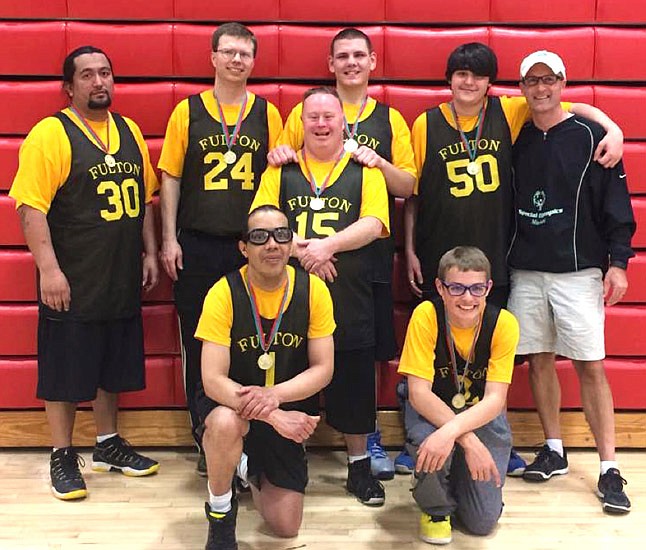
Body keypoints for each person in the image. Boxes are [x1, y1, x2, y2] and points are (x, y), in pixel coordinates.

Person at [404, 42, 625, 476]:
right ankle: (429, 437)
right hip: (462, 261)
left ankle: (590, 462)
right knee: (447, 357)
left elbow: (568, 103)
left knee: (512, 361)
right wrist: (409, 249)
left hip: (506, 265)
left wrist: (613, 127)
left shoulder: (510, 113)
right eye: (461, 74)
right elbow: (413, 192)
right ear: (449, 79)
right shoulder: (428, 124)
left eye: (479, 75)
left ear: (491, 83)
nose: (469, 82)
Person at [9, 46, 160, 500]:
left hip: (120, 275)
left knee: (111, 364)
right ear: (68, 87)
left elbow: (147, 199)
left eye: (106, 73)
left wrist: (150, 252)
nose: (99, 82)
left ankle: (108, 443)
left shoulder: (129, 130)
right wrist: (48, 270)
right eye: (88, 75)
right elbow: (29, 207)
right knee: (64, 368)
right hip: (72, 276)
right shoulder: (50, 134)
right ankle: (61, 452)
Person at [268, 27, 417, 480]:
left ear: (373, 62)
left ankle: (364, 437)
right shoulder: (304, 110)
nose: (351, 63)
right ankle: (287, 446)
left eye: (359, 55)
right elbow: (287, 162)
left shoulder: (389, 120)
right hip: (299, 265)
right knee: (298, 351)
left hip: (360, 262)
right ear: (330, 64)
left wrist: (375, 161)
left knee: (359, 354)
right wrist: (306, 251)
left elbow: (408, 188)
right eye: (342, 56)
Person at [508, 50, 635, 514]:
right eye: (531, 82)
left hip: (580, 271)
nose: (540, 90)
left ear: (563, 82)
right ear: (521, 88)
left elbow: (616, 203)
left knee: (591, 366)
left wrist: (618, 262)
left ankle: (608, 467)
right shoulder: (514, 131)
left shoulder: (593, 136)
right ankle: (554, 449)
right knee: (539, 360)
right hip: (525, 268)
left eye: (549, 80)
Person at [251, 87, 390, 506]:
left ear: (343, 123)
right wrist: (306, 252)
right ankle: (286, 459)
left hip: (349, 289)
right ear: (302, 122)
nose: (322, 124)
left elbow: (374, 222)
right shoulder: (281, 170)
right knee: (292, 375)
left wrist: (325, 248)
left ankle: (359, 467)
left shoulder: (364, 169)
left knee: (354, 381)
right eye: (313, 117)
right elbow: (261, 223)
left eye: (329, 117)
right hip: (291, 296)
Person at [158, 22, 283, 474]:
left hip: (249, 248)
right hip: (197, 244)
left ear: (253, 61)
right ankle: (205, 436)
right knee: (199, 342)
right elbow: (169, 177)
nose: (236, 60)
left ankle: (248, 438)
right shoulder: (186, 112)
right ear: (212, 57)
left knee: (251, 341)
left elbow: (278, 173)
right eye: (228, 52)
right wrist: (168, 238)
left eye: (244, 54)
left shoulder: (269, 114)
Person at [195, 205, 335, 549]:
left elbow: (323, 368)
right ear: (244, 248)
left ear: (291, 244)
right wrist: (272, 413)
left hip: (284, 406)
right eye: (259, 237)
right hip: (233, 406)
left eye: (281, 235)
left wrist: (275, 398)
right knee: (227, 424)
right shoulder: (223, 292)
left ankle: (242, 466)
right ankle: (221, 513)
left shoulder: (314, 289)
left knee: (286, 527)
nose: (271, 244)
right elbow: (213, 380)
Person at [398, 246, 519, 545]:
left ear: (489, 288)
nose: (467, 298)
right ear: (440, 287)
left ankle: (453, 481)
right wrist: (465, 439)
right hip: (431, 409)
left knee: (481, 522)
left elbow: (495, 401)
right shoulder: (426, 315)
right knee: (430, 441)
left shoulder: (504, 323)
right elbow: (418, 393)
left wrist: (459, 434)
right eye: (457, 288)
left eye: (477, 288)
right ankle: (435, 507)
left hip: (480, 413)